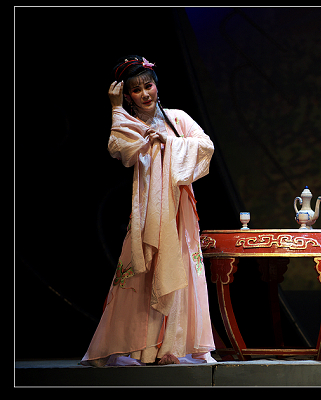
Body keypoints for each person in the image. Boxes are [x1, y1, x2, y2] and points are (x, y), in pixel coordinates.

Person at [81, 55, 216, 366]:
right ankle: (143, 348)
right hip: (148, 210)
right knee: (141, 272)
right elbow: (120, 150)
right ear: (128, 96)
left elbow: (206, 146)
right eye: (136, 90)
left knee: (183, 267)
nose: (145, 94)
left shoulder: (177, 119)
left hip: (179, 209)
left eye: (148, 86)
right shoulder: (130, 124)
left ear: (156, 85)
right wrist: (116, 107)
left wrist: (168, 142)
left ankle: (177, 346)